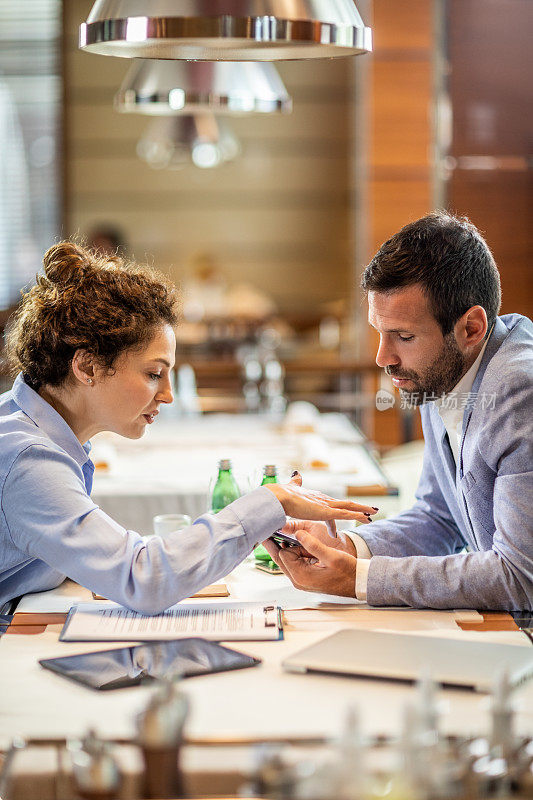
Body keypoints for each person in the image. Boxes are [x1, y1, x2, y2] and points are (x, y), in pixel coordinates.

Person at [0, 242, 377, 614]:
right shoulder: (29, 458)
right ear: (87, 367)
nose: (167, 395)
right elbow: (140, 578)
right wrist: (270, 502)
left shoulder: (34, 429)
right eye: (153, 374)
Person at [265, 212, 533, 611]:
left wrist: (357, 579)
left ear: (471, 328)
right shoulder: (441, 369)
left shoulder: (519, 393)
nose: (383, 357)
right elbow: (440, 518)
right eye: (380, 332)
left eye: (404, 337)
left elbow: (520, 578)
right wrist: (346, 546)